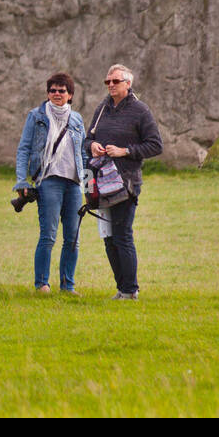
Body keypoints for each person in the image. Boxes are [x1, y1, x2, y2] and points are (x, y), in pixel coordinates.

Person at [83, 64, 163, 300]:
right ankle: (122, 289)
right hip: (99, 182)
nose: (110, 85)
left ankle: (130, 290)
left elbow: (155, 145)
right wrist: (92, 147)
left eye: (115, 81)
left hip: (126, 183)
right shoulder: (101, 109)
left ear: (128, 84)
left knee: (122, 234)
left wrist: (124, 151)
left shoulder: (140, 111)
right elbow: (86, 140)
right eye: (107, 81)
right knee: (108, 238)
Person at [14, 72, 86, 294]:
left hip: (73, 184)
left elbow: (83, 152)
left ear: (70, 95)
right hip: (48, 182)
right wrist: (21, 181)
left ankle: (68, 286)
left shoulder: (76, 119)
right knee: (49, 235)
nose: (57, 94)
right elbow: (24, 148)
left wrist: (89, 184)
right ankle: (42, 284)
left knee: (73, 238)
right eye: (52, 90)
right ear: (47, 93)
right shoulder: (36, 116)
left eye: (61, 91)